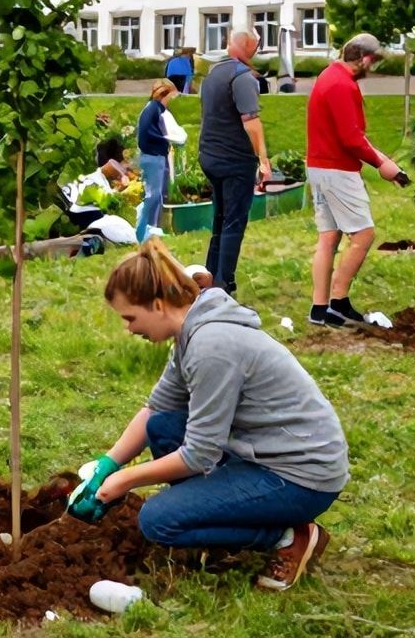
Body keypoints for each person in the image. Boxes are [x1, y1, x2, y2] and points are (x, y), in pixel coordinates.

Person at [70, 240, 348, 591]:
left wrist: (124, 481)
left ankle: (288, 535)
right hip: (264, 453)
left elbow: (199, 454)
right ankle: (212, 514)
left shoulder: (211, 346)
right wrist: (107, 465)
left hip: (301, 474)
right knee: (162, 427)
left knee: (158, 521)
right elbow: (157, 407)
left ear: (157, 305)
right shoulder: (190, 332)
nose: (128, 328)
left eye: (130, 318)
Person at [305, 34, 408, 328]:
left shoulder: (328, 76)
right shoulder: (342, 85)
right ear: (364, 58)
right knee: (363, 235)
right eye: (372, 63)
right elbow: (351, 138)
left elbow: (352, 135)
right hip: (338, 171)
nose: (371, 69)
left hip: (319, 168)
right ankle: (338, 303)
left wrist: (386, 161)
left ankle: (319, 308)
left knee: (329, 237)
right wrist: (380, 164)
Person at [198, 30, 272, 295]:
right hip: (234, 160)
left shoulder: (211, 75)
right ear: (250, 47)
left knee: (219, 218)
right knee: (233, 221)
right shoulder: (242, 78)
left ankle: (209, 275)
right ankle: (223, 283)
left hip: (209, 155)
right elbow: (250, 122)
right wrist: (263, 160)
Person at [135, 81, 177, 243]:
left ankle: (152, 227)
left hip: (155, 156)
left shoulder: (156, 109)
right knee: (152, 195)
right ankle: (143, 230)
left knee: (157, 194)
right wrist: (165, 140)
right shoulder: (153, 109)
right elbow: (146, 132)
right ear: (163, 96)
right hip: (153, 156)